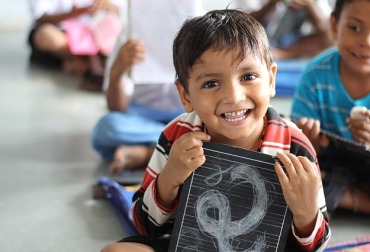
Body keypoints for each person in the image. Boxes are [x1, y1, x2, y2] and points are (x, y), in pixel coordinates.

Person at [101, 9, 331, 252]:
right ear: (185, 95)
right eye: (211, 83)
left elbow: (317, 244)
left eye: (249, 76)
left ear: (271, 80)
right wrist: (169, 179)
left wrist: (306, 214)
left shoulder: (294, 147)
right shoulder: (176, 137)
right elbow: (143, 225)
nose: (233, 96)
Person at [91, 0, 201, 173]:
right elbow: (116, 107)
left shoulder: (204, 33)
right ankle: (173, 144)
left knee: (220, 128)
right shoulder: (129, 35)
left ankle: (148, 152)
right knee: (107, 127)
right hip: (142, 116)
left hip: (189, 116)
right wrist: (118, 70)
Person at [290, 0, 370, 216]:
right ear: (334, 26)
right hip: (333, 166)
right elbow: (297, 145)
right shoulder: (315, 74)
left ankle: (350, 198)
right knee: (299, 182)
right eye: (354, 28)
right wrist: (310, 142)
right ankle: (359, 200)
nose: (366, 41)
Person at [28, 0, 120, 76]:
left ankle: (79, 63)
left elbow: (117, 11)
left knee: (115, 30)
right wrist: (76, 13)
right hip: (62, 33)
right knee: (46, 34)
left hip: (91, 35)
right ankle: (87, 63)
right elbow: (40, 18)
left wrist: (106, 6)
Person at [235, 0, 334, 59]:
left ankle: (279, 53)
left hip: (292, 42)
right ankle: (270, 52)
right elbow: (245, 24)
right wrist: (273, 2)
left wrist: (309, 4)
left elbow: (324, 27)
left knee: (331, 37)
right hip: (259, 37)